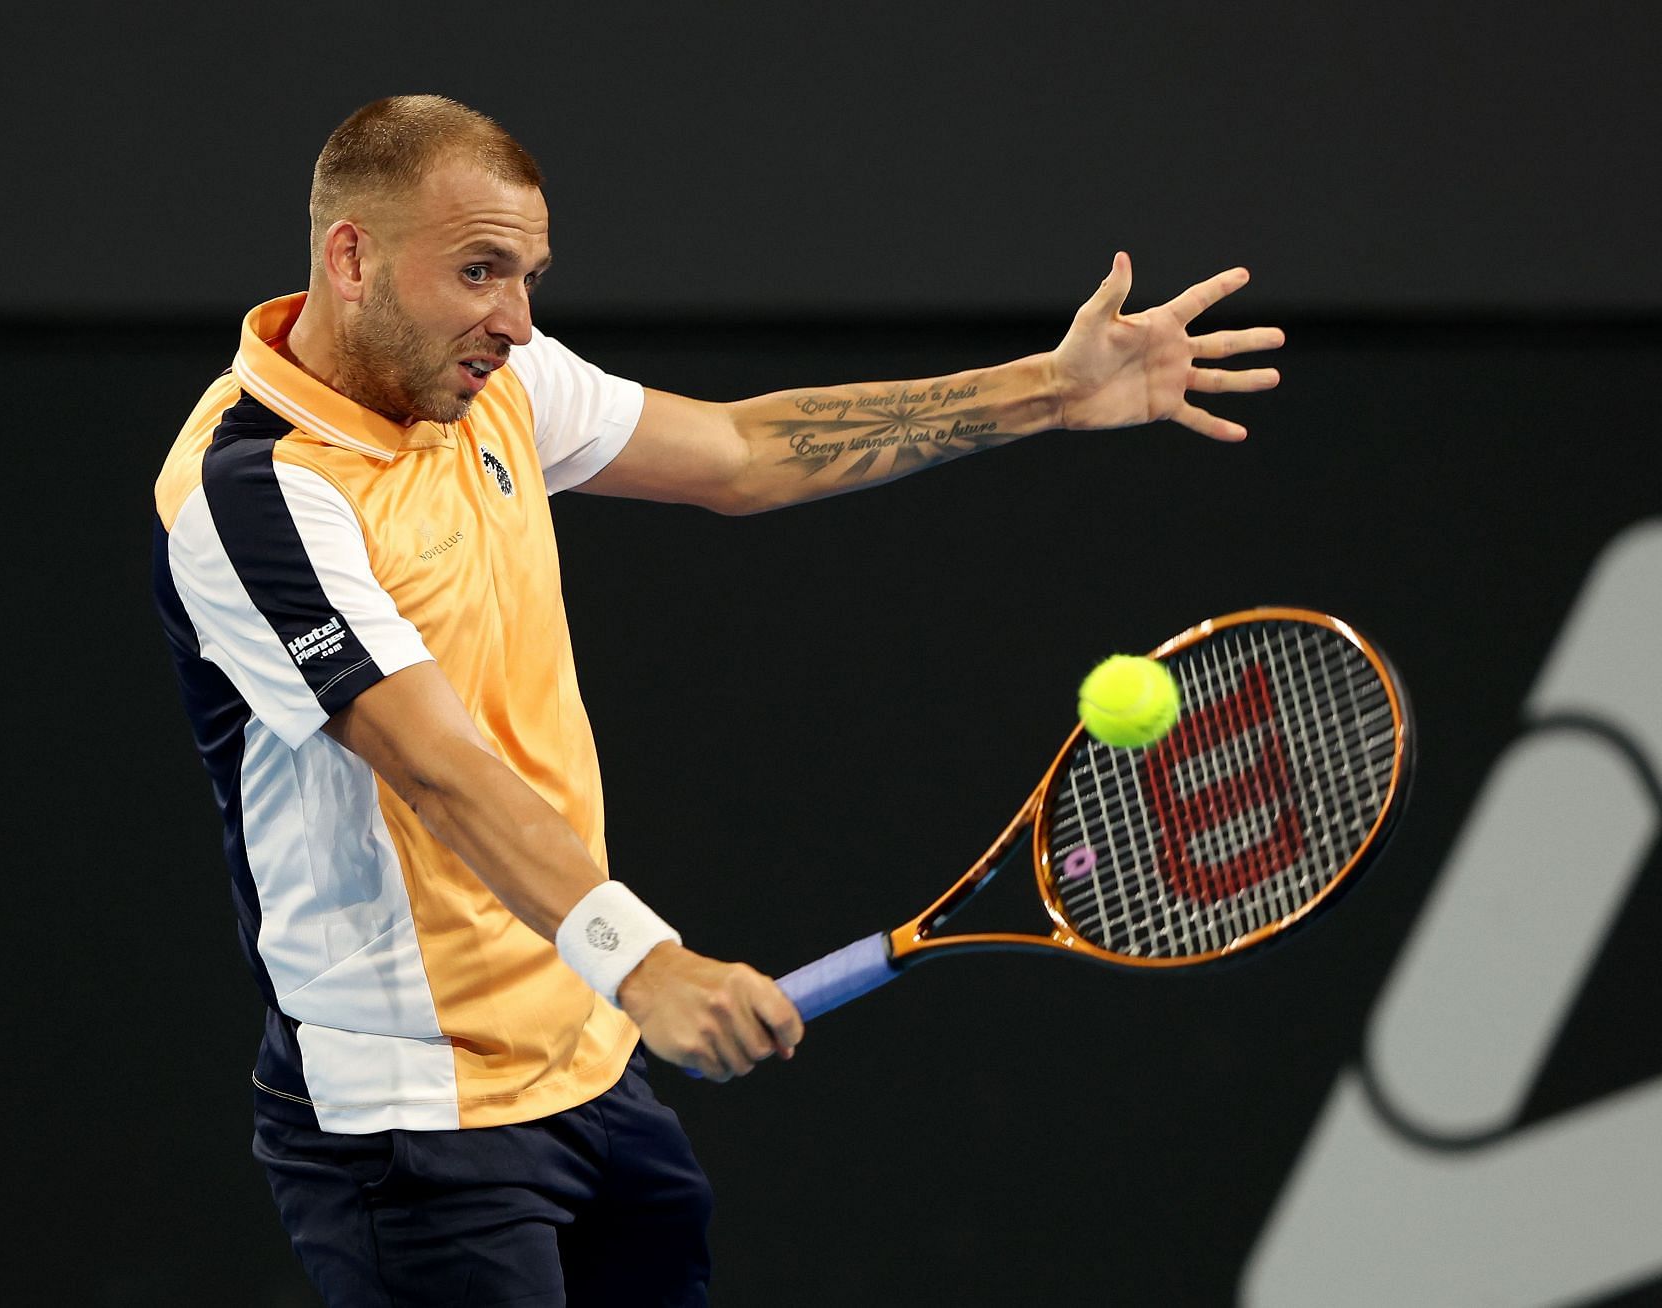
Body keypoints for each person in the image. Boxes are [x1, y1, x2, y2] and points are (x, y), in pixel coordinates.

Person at [151, 94, 1282, 1306]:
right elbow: (438, 767)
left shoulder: (496, 383)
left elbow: (741, 454)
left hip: (586, 1068)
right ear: (352, 255)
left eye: (529, 275)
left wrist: (1048, 394)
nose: (516, 320)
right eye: (480, 271)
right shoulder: (252, 496)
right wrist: (645, 964)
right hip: (414, 1123)